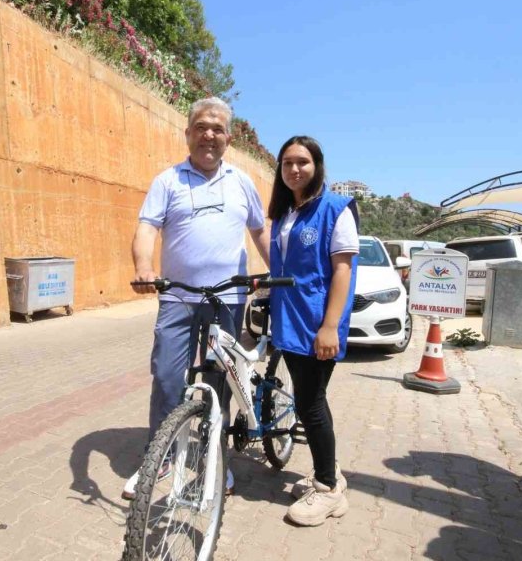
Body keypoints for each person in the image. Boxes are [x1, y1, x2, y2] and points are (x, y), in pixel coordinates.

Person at [124, 97, 270, 499]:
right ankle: (162, 456)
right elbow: (147, 228)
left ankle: (213, 459)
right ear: (188, 133)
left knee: (222, 380)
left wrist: (276, 272)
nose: (209, 134)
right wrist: (144, 267)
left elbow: (260, 231)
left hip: (229, 298)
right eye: (201, 127)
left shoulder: (241, 182)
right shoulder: (168, 180)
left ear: (228, 137)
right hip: (178, 297)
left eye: (217, 128)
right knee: (168, 376)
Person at [267, 136, 359, 526]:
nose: (294, 169)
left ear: (317, 165)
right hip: (289, 321)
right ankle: (329, 473)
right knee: (307, 401)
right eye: (287, 163)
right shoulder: (288, 212)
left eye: (302, 162)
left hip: (316, 324)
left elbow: (342, 269)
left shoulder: (336, 209)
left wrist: (329, 327)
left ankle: (328, 489)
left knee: (311, 405)